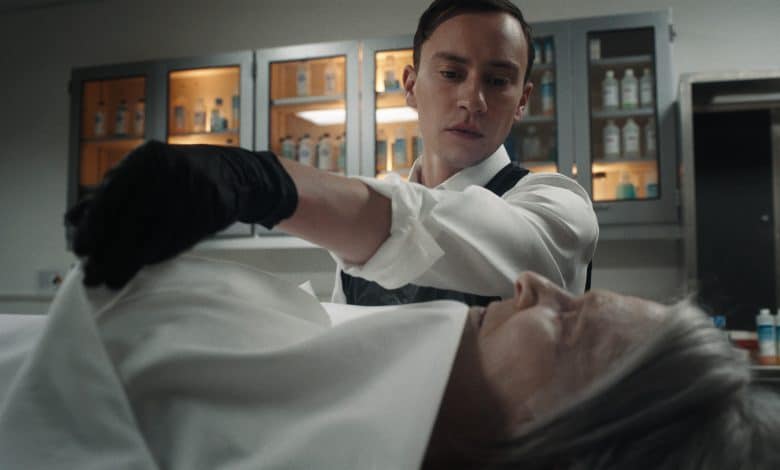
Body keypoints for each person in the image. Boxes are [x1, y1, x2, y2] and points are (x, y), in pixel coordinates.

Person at [1, 256, 777, 469]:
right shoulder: (396, 360)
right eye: (450, 72)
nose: (533, 285)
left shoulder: (545, 201)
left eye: (567, 321)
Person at [65, 0, 598, 309]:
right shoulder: (364, 213)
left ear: (523, 100)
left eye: (499, 80)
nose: (472, 100)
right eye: (451, 73)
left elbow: (452, 229)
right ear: (410, 85)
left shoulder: (556, 207)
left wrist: (260, 182)